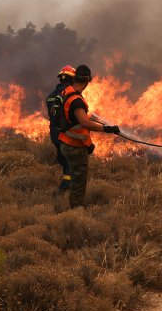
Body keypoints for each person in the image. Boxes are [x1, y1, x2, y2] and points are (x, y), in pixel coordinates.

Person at [51, 64, 120, 209]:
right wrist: (107, 129)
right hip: (74, 145)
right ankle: (77, 209)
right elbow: (84, 123)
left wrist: (88, 144)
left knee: (73, 174)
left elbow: (72, 118)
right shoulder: (76, 100)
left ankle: (70, 202)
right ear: (87, 81)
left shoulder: (66, 92)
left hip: (65, 141)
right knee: (79, 179)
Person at [45, 65, 78, 195]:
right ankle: (64, 190)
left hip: (54, 133)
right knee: (71, 163)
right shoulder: (70, 94)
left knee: (64, 161)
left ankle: (66, 186)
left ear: (60, 79)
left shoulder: (50, 96)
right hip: (66, 133)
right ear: (72, 80)